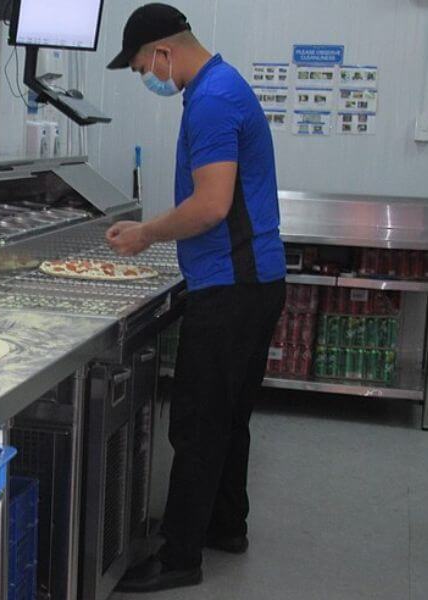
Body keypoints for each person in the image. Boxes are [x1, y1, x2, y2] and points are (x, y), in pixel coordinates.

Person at [104, 3, 287, 593]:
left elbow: (211, 206)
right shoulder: (221, 86)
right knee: (228, 416)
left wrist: (145, 233)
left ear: (163, 51)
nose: (146, 78)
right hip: (252, 283)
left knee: (198, 420)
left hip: (232, 287)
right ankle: (222, 525)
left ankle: (180, 555)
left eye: (141, 68)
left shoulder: (211, 100)